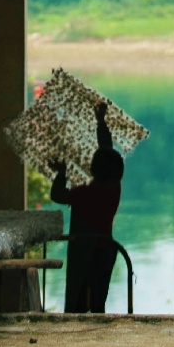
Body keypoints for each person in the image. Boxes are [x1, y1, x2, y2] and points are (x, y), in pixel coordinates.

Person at [49, 100, 124, 313]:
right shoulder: (114, 189)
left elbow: (57, 195)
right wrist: (101, 122)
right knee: (99, 301)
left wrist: (61, 173)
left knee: (78, 303)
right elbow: (106, 149)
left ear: (93, 170)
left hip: (84, 252)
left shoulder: (84, 194)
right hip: (107, 250)